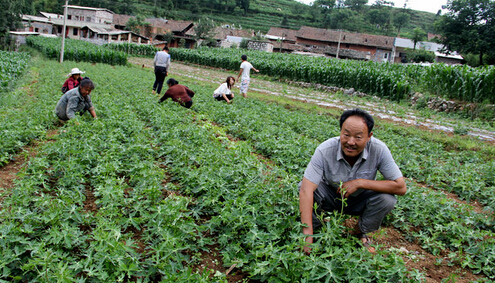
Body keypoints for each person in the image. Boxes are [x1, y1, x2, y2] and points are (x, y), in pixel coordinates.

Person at [299, 108, 406, 254]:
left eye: (358, 137)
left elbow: (400, 187)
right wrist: (307, 234)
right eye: (346, 135)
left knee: (387, 199)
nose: (350, 142)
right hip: (331, 195)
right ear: (340, 132)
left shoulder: (379, 150)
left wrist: (360, 183)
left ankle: (359, 232)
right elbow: (306, 190)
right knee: (306, 187)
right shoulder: (325, 150)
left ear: (369, 136)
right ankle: (316, 227)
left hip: (360, 199)